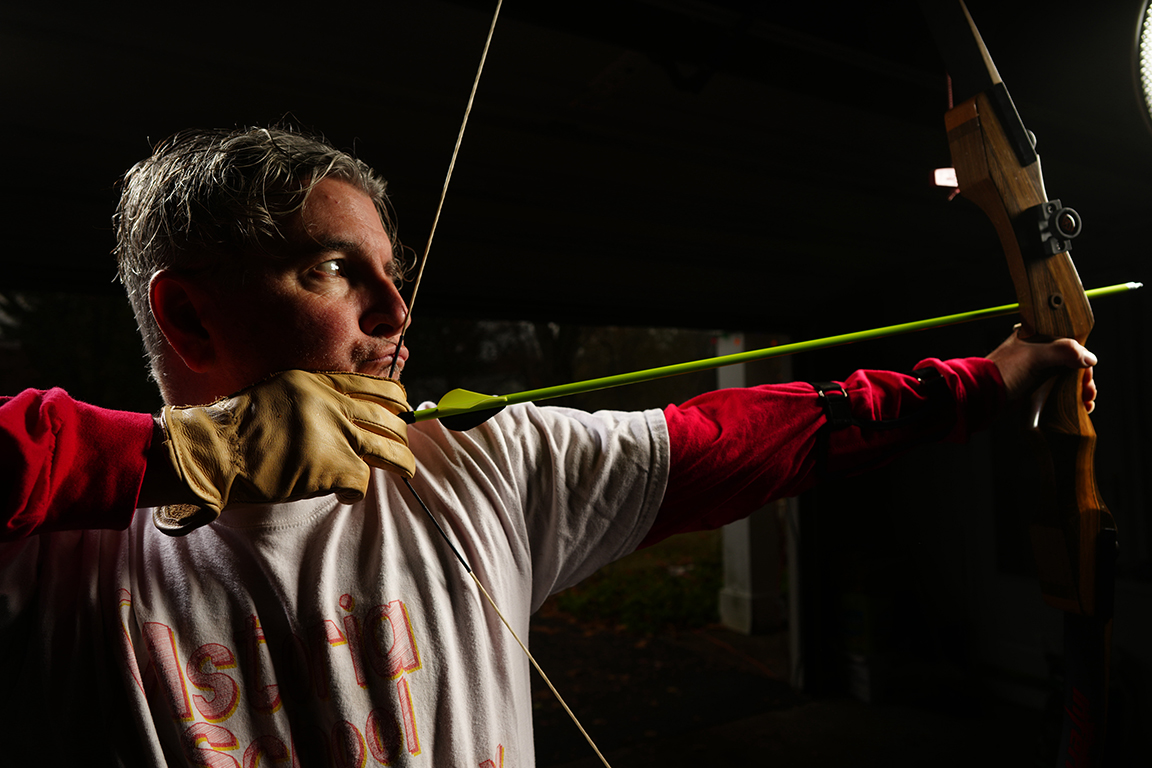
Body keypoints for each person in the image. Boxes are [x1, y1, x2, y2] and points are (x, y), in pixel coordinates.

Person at [0, 126, 1096, 766]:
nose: (396, 313)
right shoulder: (60, 556)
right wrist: (181, 459)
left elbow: (749, 436)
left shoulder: (475, 464)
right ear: (189, 318)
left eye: (393, 275)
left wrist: (988, 382)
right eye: (331, 270)